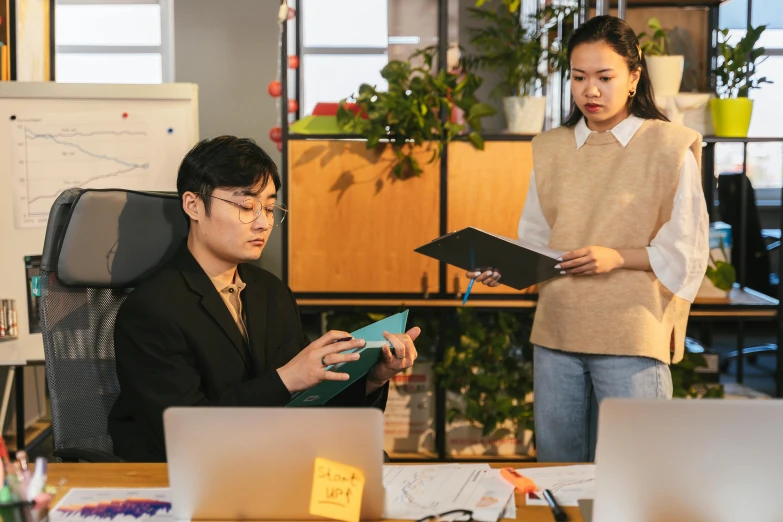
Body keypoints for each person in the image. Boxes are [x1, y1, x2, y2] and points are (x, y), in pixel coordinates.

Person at [467, 15, 709, 462]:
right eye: (579, 77)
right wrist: (505, 267)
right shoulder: (550, 146)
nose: (590, 90)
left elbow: (688, 251)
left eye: (604, 77)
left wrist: (616, 257)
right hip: (557, 330)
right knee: (557, 469)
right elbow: (537, 238)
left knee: (637, 470)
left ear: (634, 77)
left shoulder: (670, 145)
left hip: (632, 332)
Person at [109, 136, 420, 462]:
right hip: (204, 474)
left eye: (270, 208)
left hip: (276, 457)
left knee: (375, 466)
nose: (263, 222)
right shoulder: (152, 308)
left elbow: (312, 402)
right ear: (193, 205)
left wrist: (374, 377)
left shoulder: (271, 292)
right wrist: (287, 378)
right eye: (246, 206)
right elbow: (185, 432)